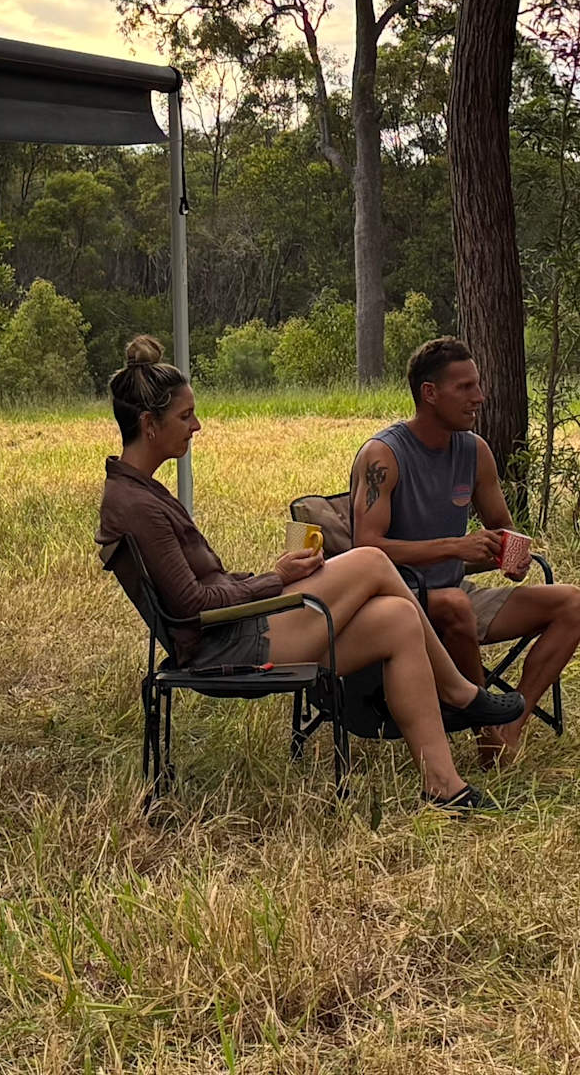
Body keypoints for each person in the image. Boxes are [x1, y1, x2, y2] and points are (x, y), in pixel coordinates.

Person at [96, 335, 522, 811]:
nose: (196, 426)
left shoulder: (141, 493)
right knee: (372, 560)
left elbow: (201, 587)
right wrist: (275, 578)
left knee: (398, 619)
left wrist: (267, 577)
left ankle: (444, 786)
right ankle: (463, 692)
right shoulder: (136, 505)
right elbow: (192, 607)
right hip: (227, 645)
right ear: (149, 425)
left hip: (238, 627)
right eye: (185, 416)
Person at [348, 336, 580, 767]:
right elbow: (366, 547)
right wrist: (455, 546)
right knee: (456, 604)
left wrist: (509, 555)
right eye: (465, 388)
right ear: (430, 393)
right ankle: (483, 728)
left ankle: (510, 724)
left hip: (455, 590)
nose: (479, 398)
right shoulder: (384, 455)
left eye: (478, 385)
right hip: (399, 601)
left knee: (574, 603)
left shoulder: (474, 452)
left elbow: (503, 528)